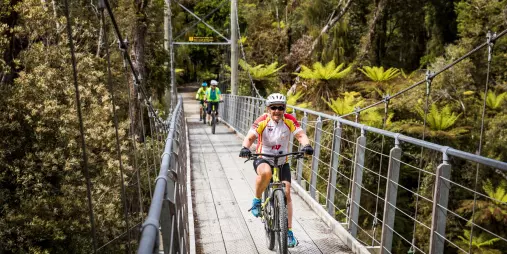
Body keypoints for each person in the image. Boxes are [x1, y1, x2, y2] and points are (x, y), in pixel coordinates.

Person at [238, 93, 314, 248]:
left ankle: (289, 232)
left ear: (284, 108)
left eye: (280, 107)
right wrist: (245, 147)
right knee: (265, 173)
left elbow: (300, 135)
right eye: (273, 107)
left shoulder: (290, 120)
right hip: (263, 157)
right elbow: (251, 137)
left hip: (282, 160)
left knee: (286, 193)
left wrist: (306, 145)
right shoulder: (262, 120)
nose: (277, 111)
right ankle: (257, 201)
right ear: (268, 108)